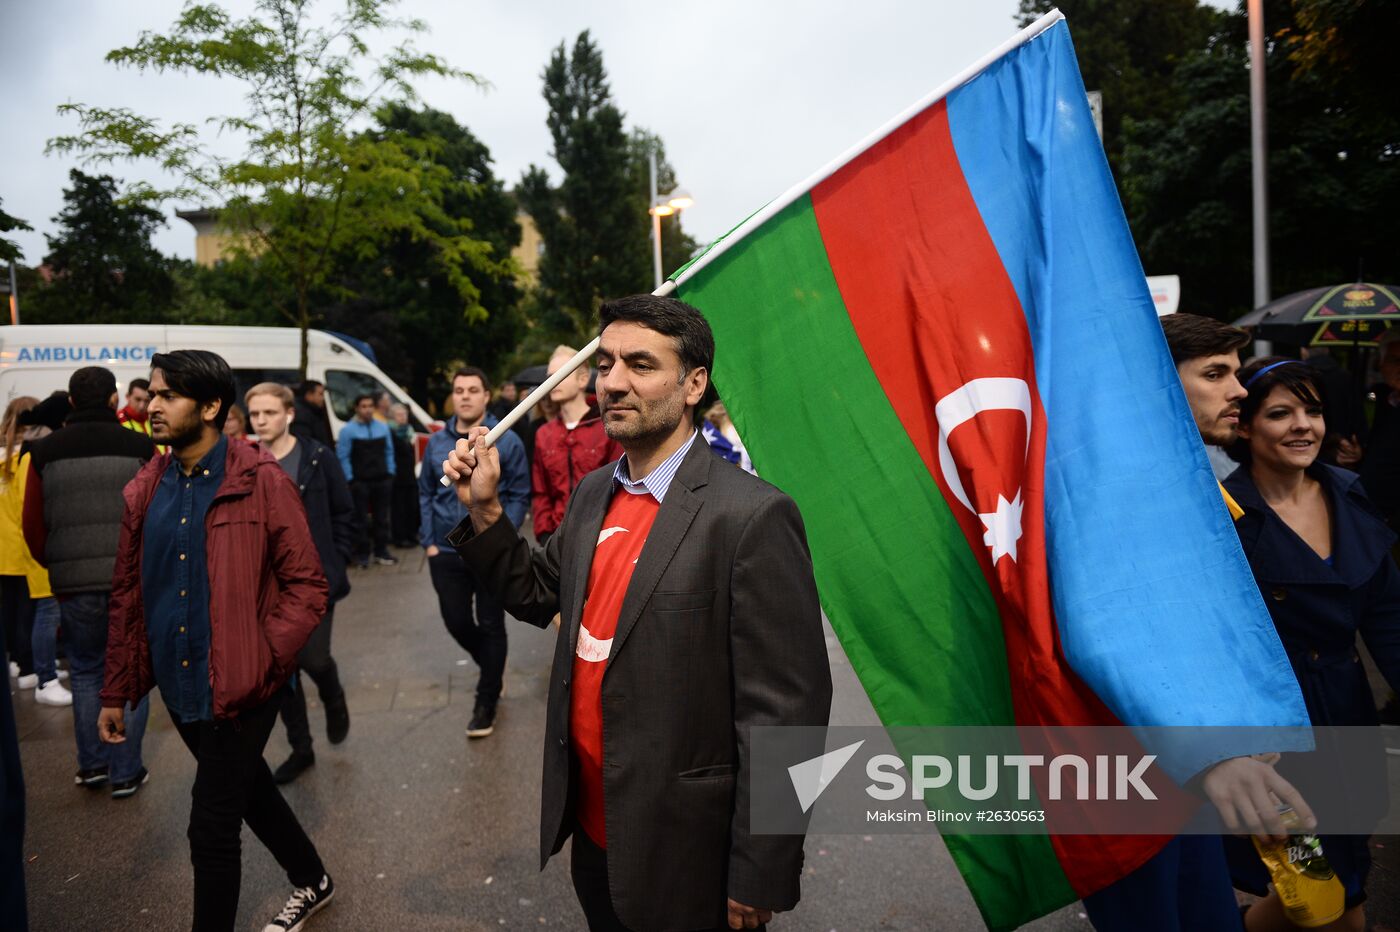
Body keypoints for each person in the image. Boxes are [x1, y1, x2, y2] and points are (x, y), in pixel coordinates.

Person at [443, 294, 833, 930]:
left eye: (641, 365)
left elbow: (789, 709)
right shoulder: (596, 492)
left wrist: (761, 868)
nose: (613, 382)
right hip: (597, 836)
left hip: (690, 855)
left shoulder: (750, 515)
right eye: (606, 364)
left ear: (693, 384)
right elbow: (540, 592)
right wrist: (485, 512)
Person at [1077, 315, 1319, 932]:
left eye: (1236, 372)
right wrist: (1210, 751)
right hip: (1131, 771)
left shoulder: (1186, 479)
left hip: (1187, 764)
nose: (1239, 389)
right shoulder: (1116, 489)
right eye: (1215, 374)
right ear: (1150, 382)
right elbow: (1112, 632)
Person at [99, 350, 334, 932]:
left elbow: (307, 585)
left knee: (211, 824)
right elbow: (129, 593)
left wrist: (264, 655)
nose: (151, 406)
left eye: (166, 396)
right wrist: (115, 689)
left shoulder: (261, 481)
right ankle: (314, 879)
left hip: (243, 685)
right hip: (180, 688)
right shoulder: (146, 487)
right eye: (152, 394)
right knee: (248, 787)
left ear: (209, 407)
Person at [1221, 358, 1399, 932]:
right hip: (1272, 733)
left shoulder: (1351, 494)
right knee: (1316, 887)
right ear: (1245, 427)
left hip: (1347, 715)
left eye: (1313, 410)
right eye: (1280, 413)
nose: (1303, 426)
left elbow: (1388, 617)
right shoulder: (1223, 515)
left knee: (1342, 884)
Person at [23, 368, 155, 798]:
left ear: (73, 403)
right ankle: (126, 770)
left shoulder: (42, 452)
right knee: (131, 670)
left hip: (73, 580)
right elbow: (157, 511)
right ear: (115, 400)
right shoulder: (140, 446)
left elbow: (33, 522)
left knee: (84, 671)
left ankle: (92, 765)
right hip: (131, 577)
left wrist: (57, 563)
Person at [245, 383, 355, 785]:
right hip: (267, 584)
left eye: (269, 413)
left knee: (313, 658)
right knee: (282, 671)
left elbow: (344, 510)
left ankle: (332, 692)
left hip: (315, 578)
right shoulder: (246, 462)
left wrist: (337, 559)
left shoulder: (316, 457)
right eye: (255, 414)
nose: (261, 421)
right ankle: (301, 748)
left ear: (289, 413)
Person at [419, 367, 528, 738]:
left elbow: (517, 494)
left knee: (492, 624)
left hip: (486, 548)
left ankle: (486, 702)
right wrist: (428, 541)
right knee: (456, 621)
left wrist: (496, 535)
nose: (465, 396)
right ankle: (493, 667)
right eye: (459, 390)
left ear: (486, 395)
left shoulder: (507, 440)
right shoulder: (436, 443)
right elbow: (425, 491)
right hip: (445, 549)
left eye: (472, 390)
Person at [1, 397, 69, 707]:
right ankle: (42, 674)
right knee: (41, 611)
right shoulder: (30, 456)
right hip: (29, 543)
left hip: (17, 545)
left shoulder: (12, 455)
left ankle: (32, 665)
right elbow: (28, 506)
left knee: (23, 611)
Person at [531, 345, 622, 544]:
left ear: (582, 379)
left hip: (599, 537)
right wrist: (544, 533)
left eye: (561, 375)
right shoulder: (544, 434)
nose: (552, 382)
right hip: (554, 538)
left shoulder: (607, 427)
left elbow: (619, 487)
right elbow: (540, 492)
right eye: (549, 376)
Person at [337, 393, 397, 568]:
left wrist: (390, 473)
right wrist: (350, 479)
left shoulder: (382, 427)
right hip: (360, 482)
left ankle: (381, 551)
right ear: (357, 408)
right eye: (363, 406)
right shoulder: (348, 430)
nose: (368, 409)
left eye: (370, 405)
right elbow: (343, 456)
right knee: (360, 519)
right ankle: (362, 554)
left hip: (381, 480)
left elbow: (389, 451)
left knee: (381, 518)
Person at [387, 403, 420, 548]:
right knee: (399, 508)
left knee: (411, 506)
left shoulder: (409, 431)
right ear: (393, 417)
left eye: (405, 414)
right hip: (397, 475)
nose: (403, 417)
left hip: (410, 474)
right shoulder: (389, 431)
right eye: (399, 415)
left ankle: (411, 534)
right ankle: (400, 538)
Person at [291, 380, 334, 448]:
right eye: (320, 394)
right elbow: (305, 445)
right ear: (309, 395)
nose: (323, 398)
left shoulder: (314, 411)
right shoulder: (301, 415)